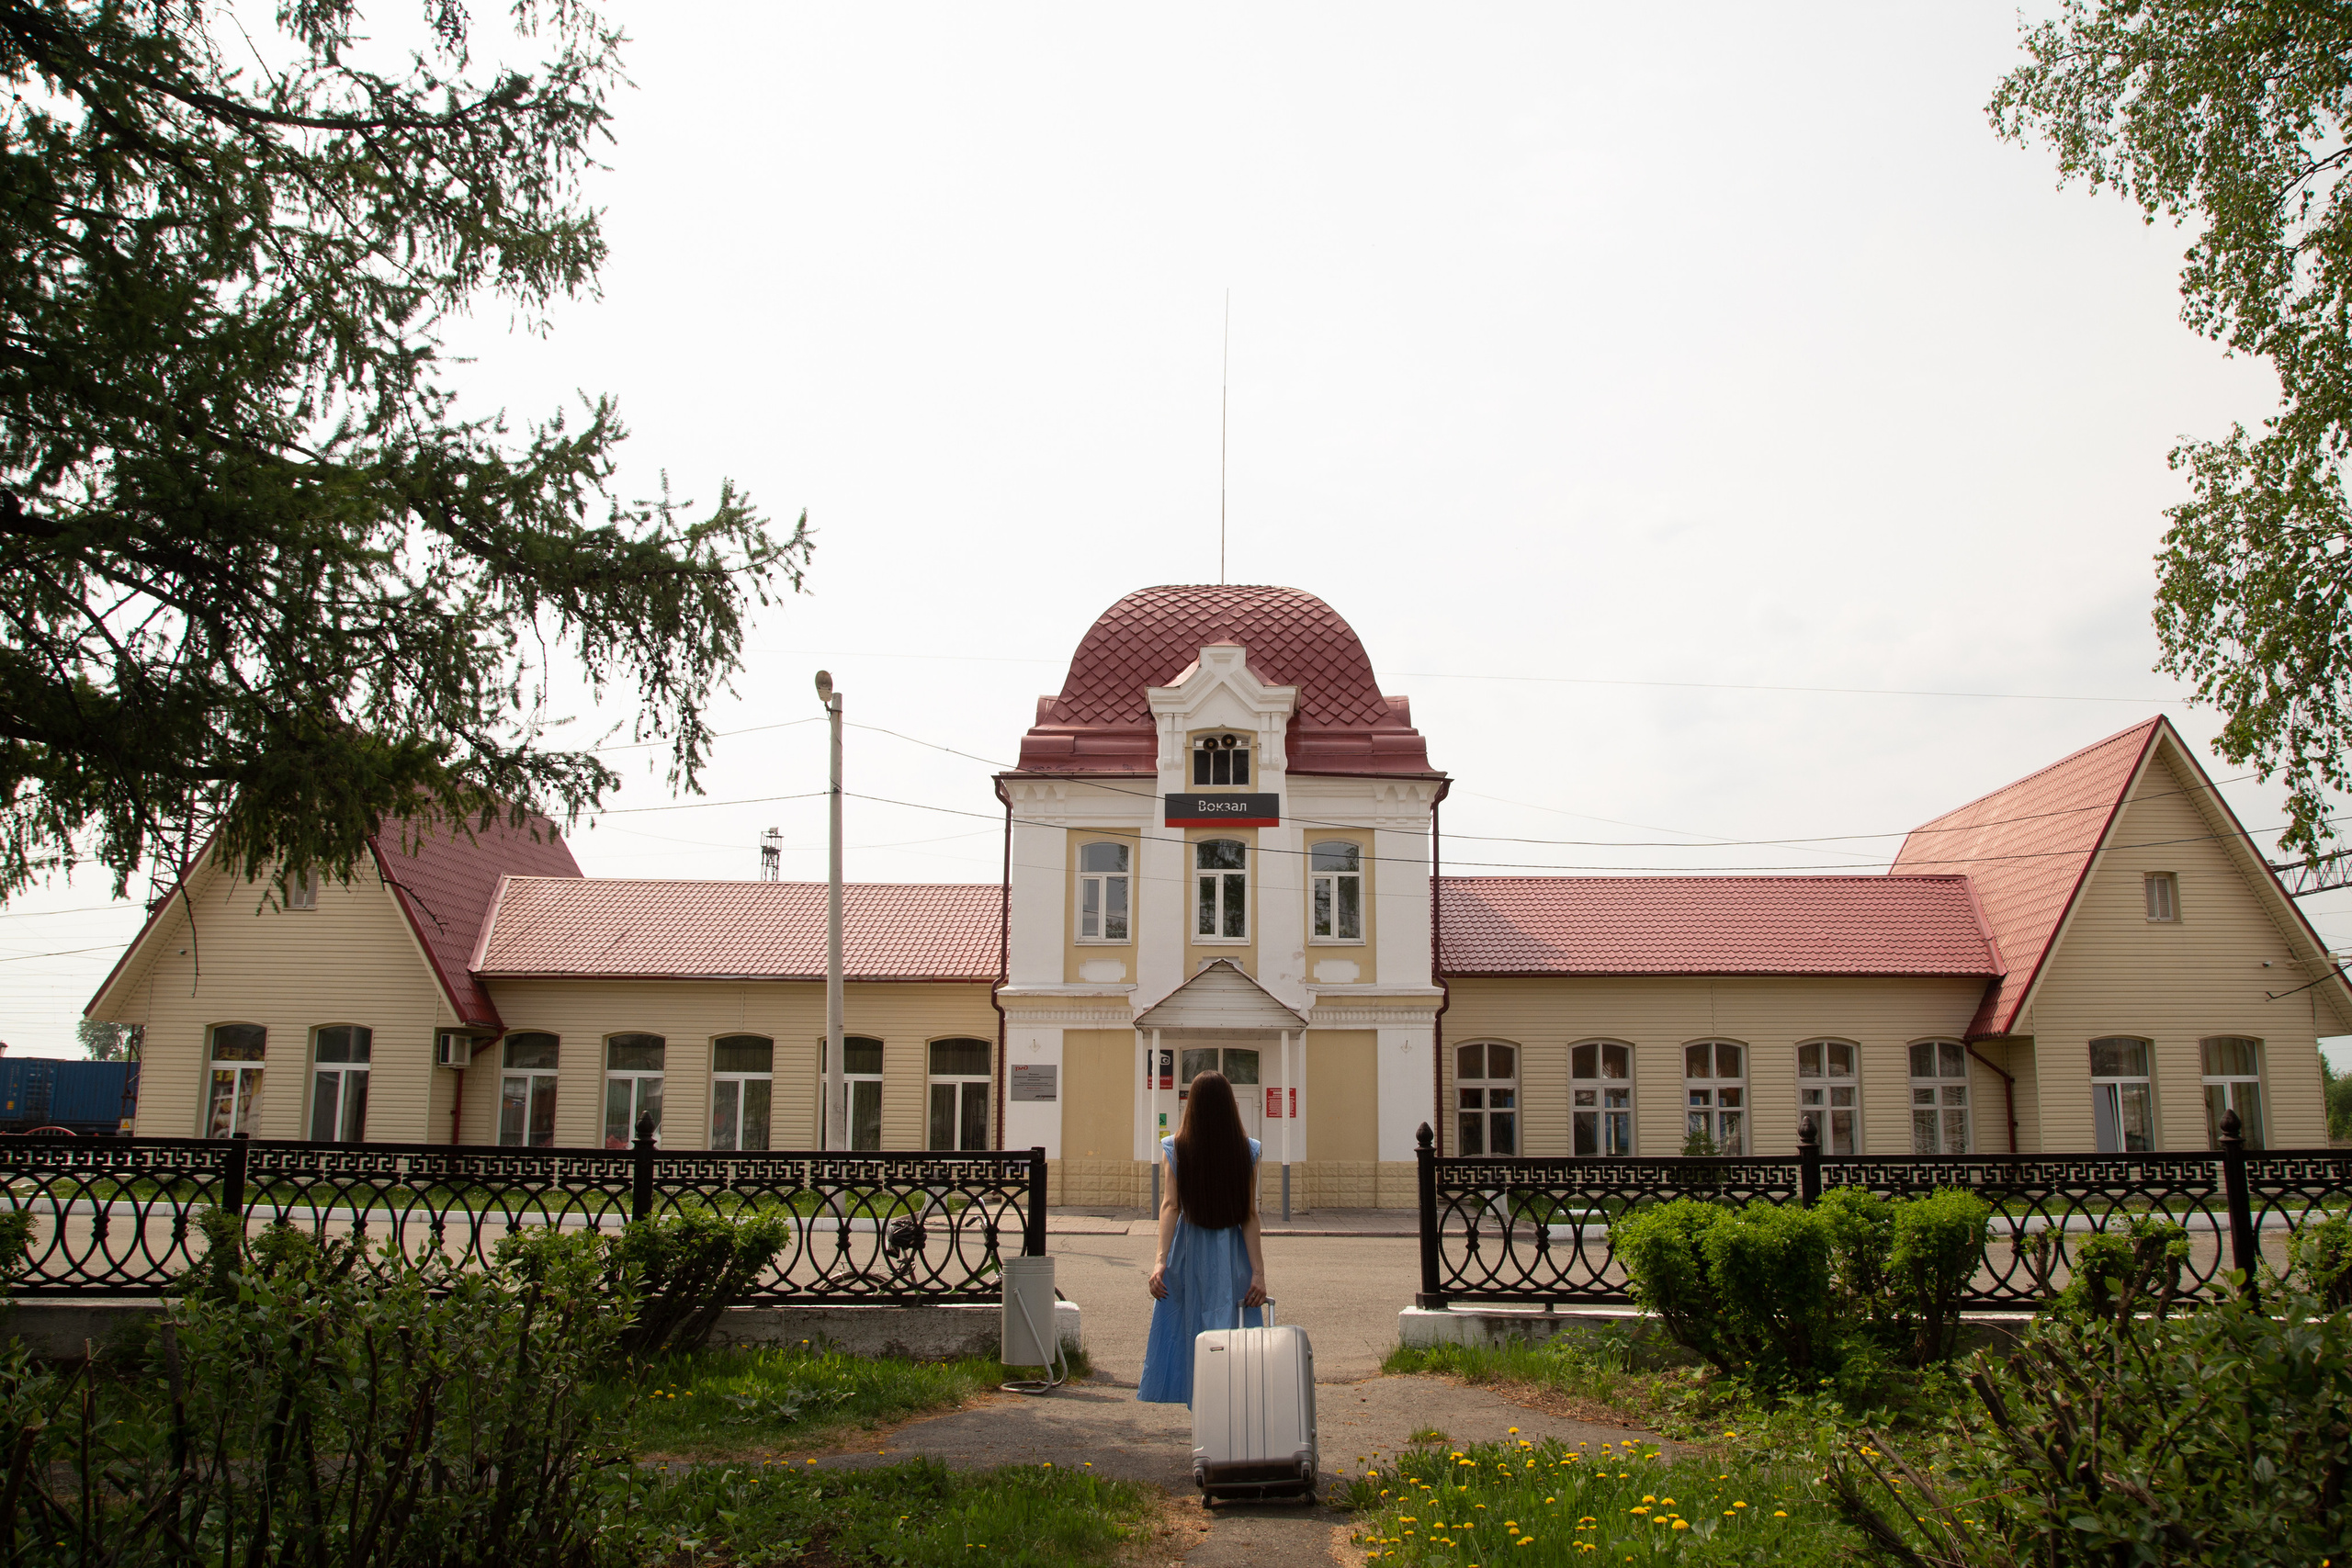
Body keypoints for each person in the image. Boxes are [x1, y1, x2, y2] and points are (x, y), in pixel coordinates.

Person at [1137, 1070, 1269, 1405]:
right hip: (1232, 1254)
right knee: (1232, 1331)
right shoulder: (1248, 1151)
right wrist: (1258, 1272)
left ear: (1191, 1106)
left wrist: (1160, 1261)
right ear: (1231, 1106)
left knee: (1190, 1331)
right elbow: (1250, 1214)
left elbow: (1170, 1206)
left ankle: (1203, 1417)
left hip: (1189, 1252)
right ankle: (1231, 1414)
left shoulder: (1176, 1148)